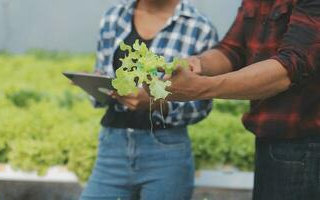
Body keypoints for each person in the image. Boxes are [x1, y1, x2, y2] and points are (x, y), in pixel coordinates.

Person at [165, 0, 320, 199]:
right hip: (271, 141)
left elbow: (290, 68)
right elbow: (232, 49)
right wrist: (197, 64)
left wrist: (201, 88)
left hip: (307, 147)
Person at [80, 0, 218, 199]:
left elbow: (202, 105)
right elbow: (104, 74)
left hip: (166, 151)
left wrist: (158, 103)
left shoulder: (199, 27)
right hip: (112, 146)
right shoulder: (115, 16)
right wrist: (93, 84)